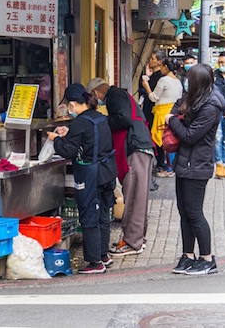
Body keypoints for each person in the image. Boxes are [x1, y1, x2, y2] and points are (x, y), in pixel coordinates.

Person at [48, 84, 117, 274]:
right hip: (107, 172)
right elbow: (88, 139)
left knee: (88, 216)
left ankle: (95, 262)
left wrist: (56, 140)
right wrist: (67, 134)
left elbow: (69, 151)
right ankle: (103, 254)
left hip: (90, 175)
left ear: (72, 104)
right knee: (103, 213)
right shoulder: (100, 118)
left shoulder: (80, 122)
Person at [166, 64, 224, 275]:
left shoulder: (210, 107)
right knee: (184, 212)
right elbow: (175, 107)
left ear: (199, 82)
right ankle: (188, 255)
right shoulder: (193, 98)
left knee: (194, 212)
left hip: (197, 164)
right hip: (184, 162)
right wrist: (175, 115)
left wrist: (172, 121)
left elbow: (190, 135)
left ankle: (207, 259)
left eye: (190, 79)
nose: (186, 82)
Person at [86, 77, 154, 257]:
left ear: (95, 93)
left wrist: (101, 122)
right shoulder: (121, 95)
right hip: (142, 146)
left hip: (135, 147)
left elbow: (122, 119)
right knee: (139, 196)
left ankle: (132, 242)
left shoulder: (114, 95)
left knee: (133, 197)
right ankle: (138, 238)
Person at [143, 57, 183, 178]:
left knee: (163, 141)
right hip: (174, 112)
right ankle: (171, 166)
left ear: (165, 67)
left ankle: (168, 167)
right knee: (171, 138)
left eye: (161, 67)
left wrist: (146, 86)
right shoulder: (177, 80)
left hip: (162, 114)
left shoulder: (163, 80)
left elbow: (154, 97)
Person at [139, 50, 166, 178]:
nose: (150, 61)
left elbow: (153, 96)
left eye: (153, 58)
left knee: (156, 136)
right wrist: (147, 77)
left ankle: (160, 163)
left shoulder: (161, 78)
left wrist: (147, 84)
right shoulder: (152, 76)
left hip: (155, 110)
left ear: (160, 62)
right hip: (148, 109)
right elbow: (143, 91)